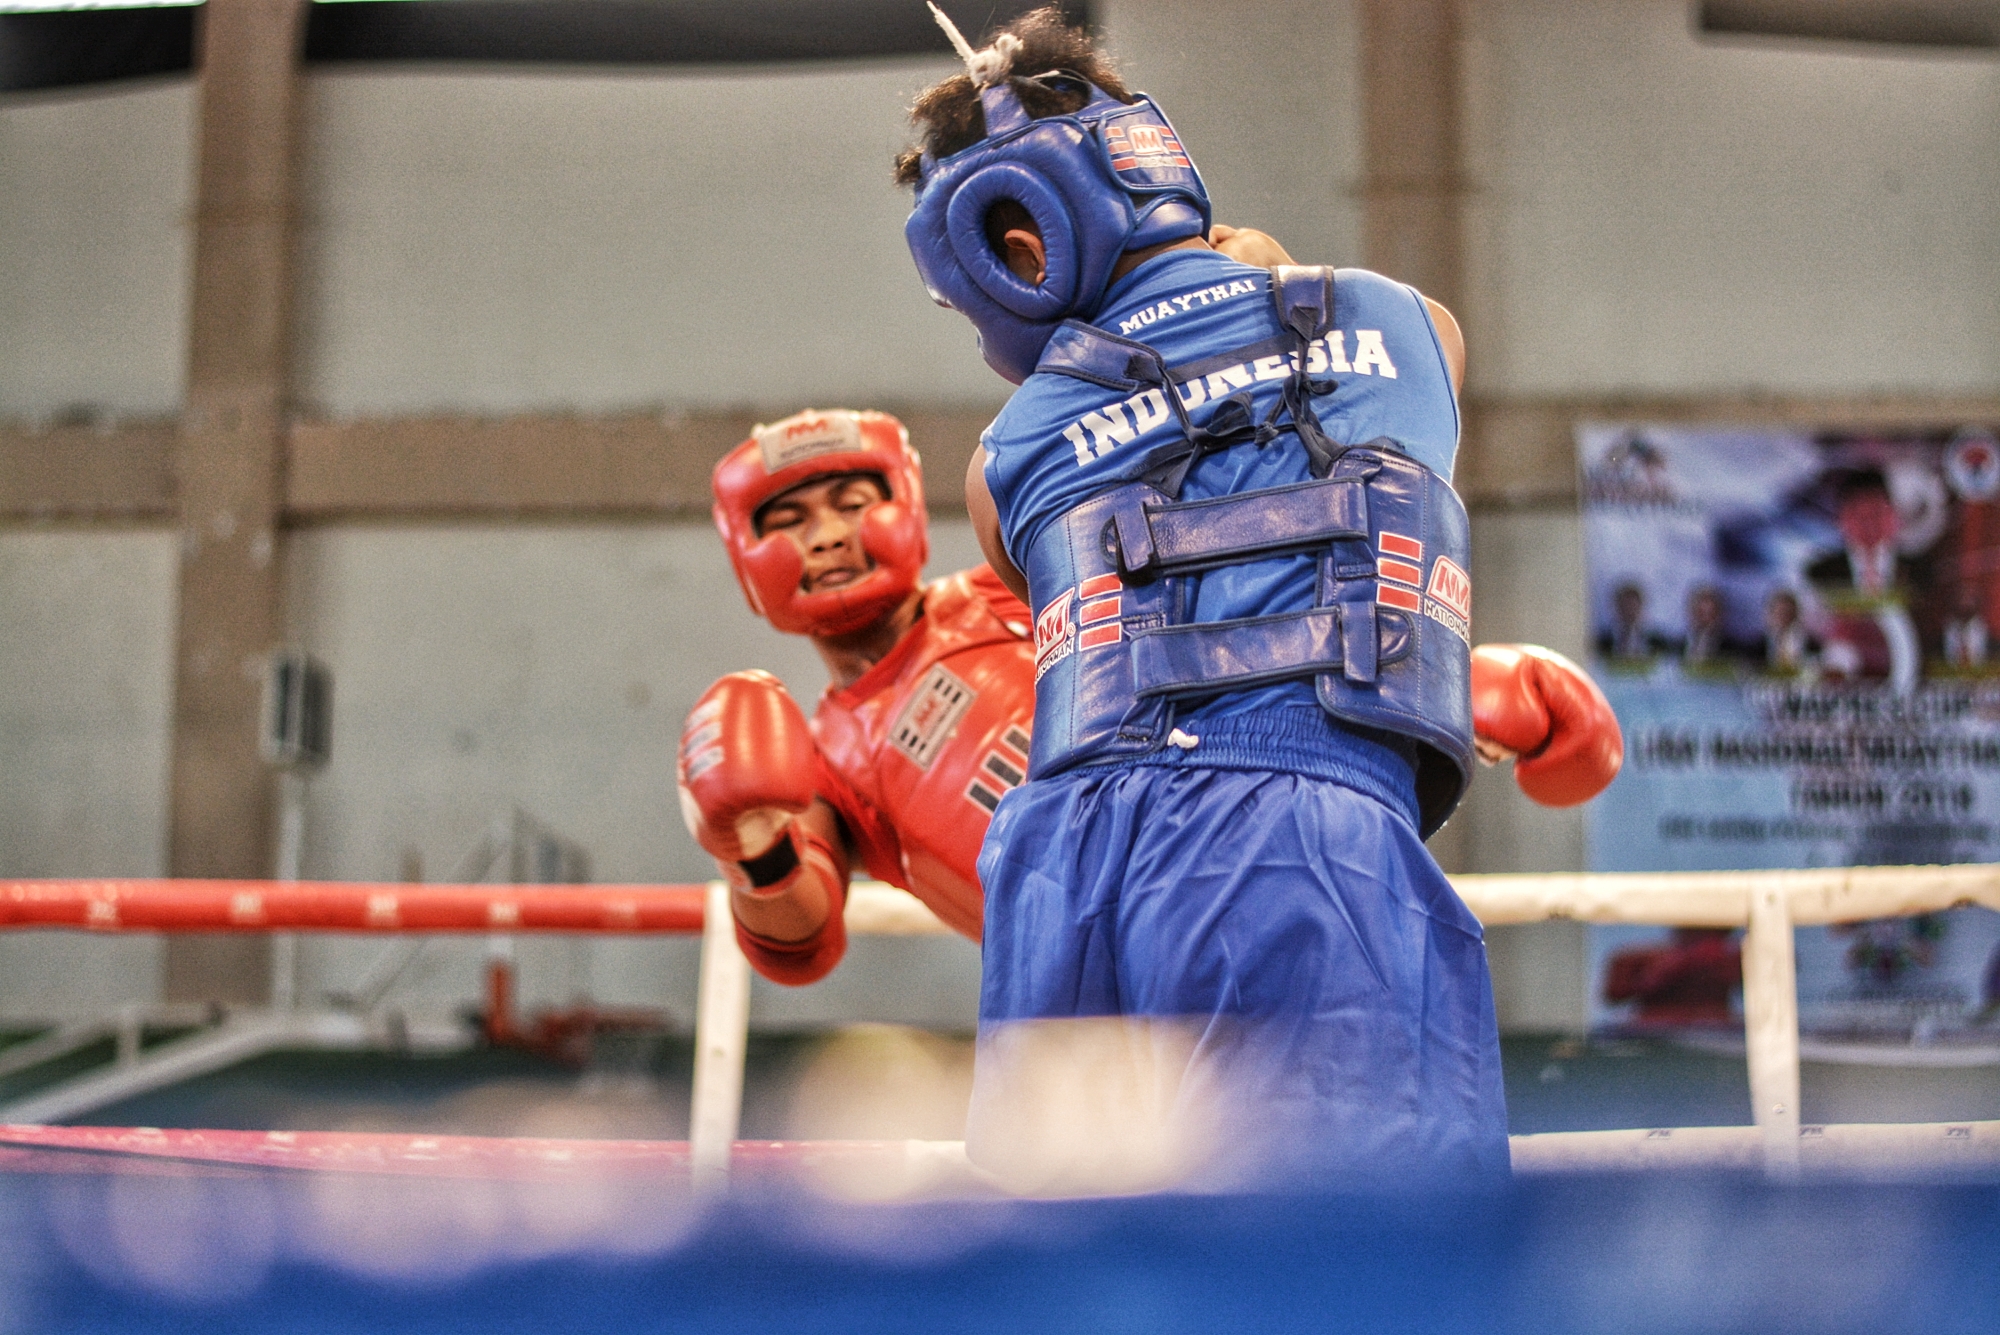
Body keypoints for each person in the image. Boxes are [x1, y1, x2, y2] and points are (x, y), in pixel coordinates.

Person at [895, 8, 1622, 1183]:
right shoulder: (1401, 323)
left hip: (1057, 881)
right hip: (1289, 839)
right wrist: (1267, 276)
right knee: (1349, 1271)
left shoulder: (997, 463)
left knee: (1074, 1283)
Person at [676, 408, 1037, 983]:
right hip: (1077, 993)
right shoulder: (828, 765)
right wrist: (750, 846)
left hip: (1193, 866)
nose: (829, 537)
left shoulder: (1012, 589)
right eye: (789, 520)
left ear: (908, 508)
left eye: (852, 504)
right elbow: (802, 944)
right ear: (747, 557)